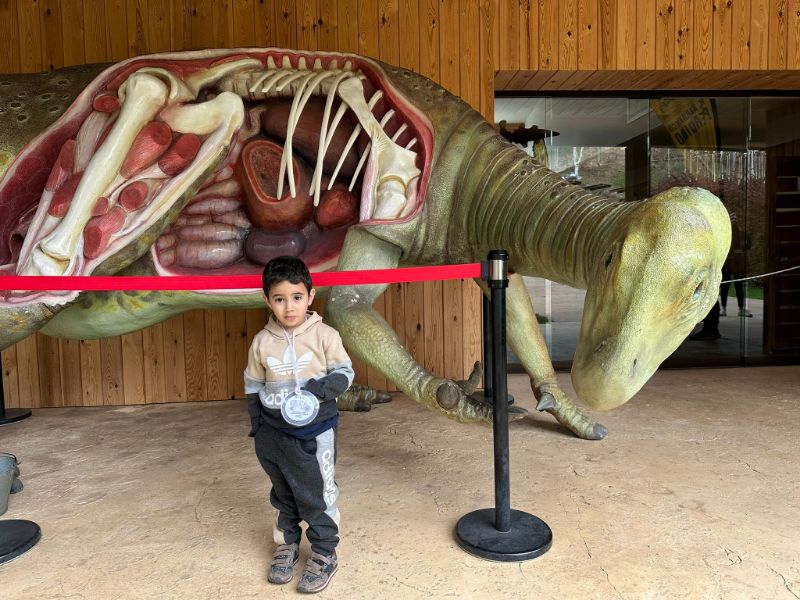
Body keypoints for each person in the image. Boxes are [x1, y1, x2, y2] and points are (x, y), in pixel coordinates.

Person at [244, 256, 354, 593]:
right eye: (279, 299)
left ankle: (324, 551)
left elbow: (345, 373)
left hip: (314, 433)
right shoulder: (262, 342)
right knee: (283, 494)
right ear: (267, 300)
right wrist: (258, 426)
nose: (289, 307)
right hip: (273, 434)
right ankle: (286, 543)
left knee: (317, 493)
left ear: (310, 296)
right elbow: (253, 385)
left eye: (296, 297)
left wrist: (318, 390)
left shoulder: (325, 335)